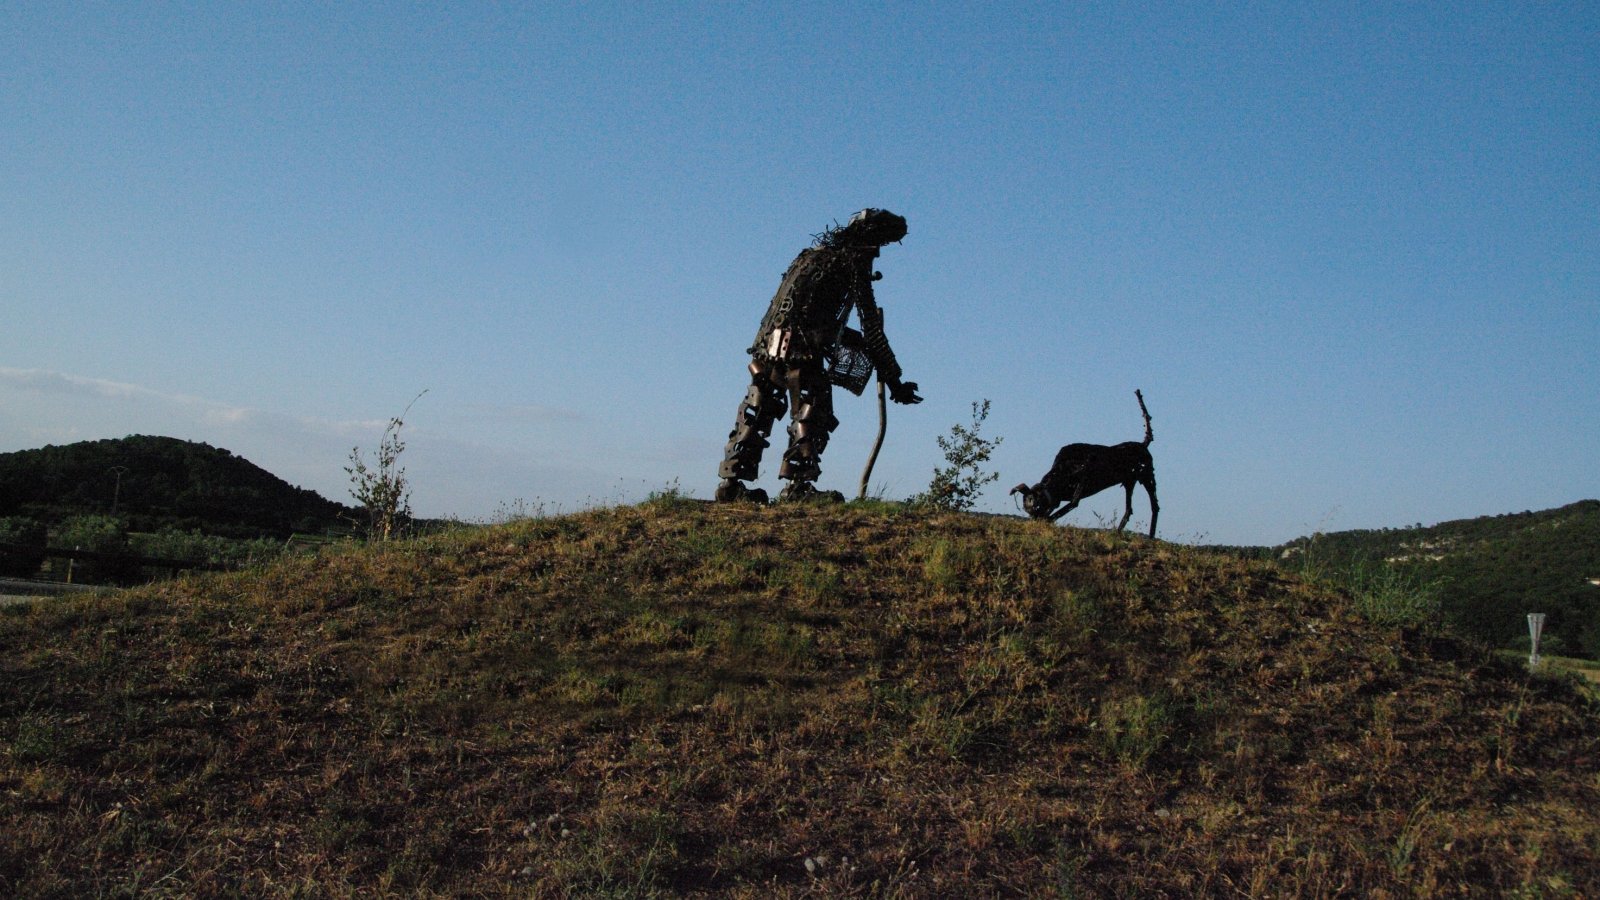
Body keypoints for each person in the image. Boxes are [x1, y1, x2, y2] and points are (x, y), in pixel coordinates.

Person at [716, 208, 922, 503]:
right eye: (879, 242)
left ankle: (731, 482)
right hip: (804, 351)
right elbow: (872, 328)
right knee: (812, 413)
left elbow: (804, 313)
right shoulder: (852, 264)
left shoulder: (809, 256)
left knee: (758, 409)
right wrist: (895, 381)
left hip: (769, 346)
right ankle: (798, 487)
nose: (877, 251)